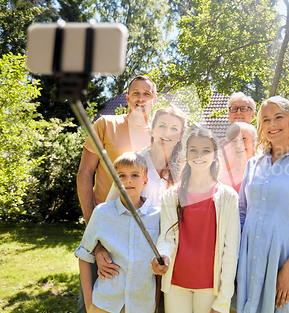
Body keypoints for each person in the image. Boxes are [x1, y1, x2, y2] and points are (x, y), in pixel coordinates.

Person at [76, 75, 157, 312]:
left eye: (147, 93)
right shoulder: (105, 124)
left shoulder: (160, 135)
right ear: (127, 97)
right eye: (136, 93)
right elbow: (84, 174)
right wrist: (97, 242)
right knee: (92, 304)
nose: (141, 98)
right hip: (105, 229)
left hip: (143, 238)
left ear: (155, 98)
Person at [237, 96, 289, 313]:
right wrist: (236, 262)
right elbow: (241, 213)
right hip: (248, 259)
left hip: (284, 257)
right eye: (265, 120)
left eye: (278, 117)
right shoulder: (252, 164)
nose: (272, 124)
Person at [151, 127, 240, 313]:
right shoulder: (171, 196)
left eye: (206, 150)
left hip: (210, 287)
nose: (199, 155)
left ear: (215, 155)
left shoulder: (228, 196)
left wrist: (223, 300)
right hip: (176, 284)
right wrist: (163, 256)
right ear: (185, 154)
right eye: (193, 150)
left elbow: (230, 251)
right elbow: (167, 239)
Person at [75, 152, 161, 313]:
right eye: (121, 176)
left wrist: (155, 304)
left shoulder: (158, 216)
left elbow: (160, 268)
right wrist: (89, 304)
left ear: (145, 180)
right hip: (104, 304)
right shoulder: (102, 213)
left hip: (142, 305)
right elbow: (84, 255)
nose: (128, 180)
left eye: (135, 175)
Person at [106, 106, 187, 206]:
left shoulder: (185, 170)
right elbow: (109, 205)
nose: (167, 132)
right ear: (152, 129)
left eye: (174, 129)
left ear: (180, 136)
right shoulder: (132, 161)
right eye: (162, 126)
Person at [219, 122, 257, 192]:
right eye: (234, 140)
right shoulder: (222, 178)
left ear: (255, 141)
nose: (238, 145)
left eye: (243, 138)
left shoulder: (264, 171)